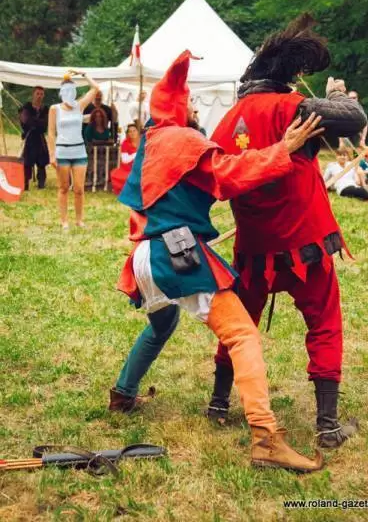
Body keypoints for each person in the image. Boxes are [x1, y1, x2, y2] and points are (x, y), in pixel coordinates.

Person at [111, 50, 325, 472]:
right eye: (190, 103)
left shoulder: (151, 142)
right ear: (177, 107)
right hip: (174, 255)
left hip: (145, 256)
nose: (195, 110)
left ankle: (122, 394)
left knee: (162, 325)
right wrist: (283, 149)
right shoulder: (180, 139)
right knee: (243, 335)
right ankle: (265, 438)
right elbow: (228, 173)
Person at [205, 14, 367, 449]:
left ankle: (218, 403)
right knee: (325, 324)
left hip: (256, 250)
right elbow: (354, 118)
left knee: (239, 325)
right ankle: (328, 427)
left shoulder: (229, 120)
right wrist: (335, 94)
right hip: (305, 245)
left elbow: (215, 179)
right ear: (287, 76)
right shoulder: (291, 107)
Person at [48, 71, 100, 230]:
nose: (69, 93)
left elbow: (95, 88)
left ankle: (79, 220)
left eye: (72, 90)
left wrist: (84, 74)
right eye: (66, 90)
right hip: (62, 152)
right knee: (63, 188)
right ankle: (64, 221)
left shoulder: (80, 106)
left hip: (79, 152)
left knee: (79, 189)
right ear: (61, 92)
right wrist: (52, 155)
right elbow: (51, 132)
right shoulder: (55, 109)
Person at [19, 86, 49, 190]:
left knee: (42, 162)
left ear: (43, 96)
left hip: (40, 138)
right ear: (33, 94)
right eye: (37, 93)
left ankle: (41, 183)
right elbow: (25, 122)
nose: (39, 96)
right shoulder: (26, 107)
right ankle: (25, 183)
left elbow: (45, 125)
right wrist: (37, 123)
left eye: (41, 94)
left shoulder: (45, 109)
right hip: (29, 138)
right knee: (27, 162)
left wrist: (34, 122)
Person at [110, 120, 141, 195]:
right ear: (128, 134)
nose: (132, 133)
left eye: (134, 131)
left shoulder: (143, 142)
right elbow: (125, 160)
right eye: (130, 131)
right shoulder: (125, 143)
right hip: (128, 168)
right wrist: (136, 154)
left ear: (138, 132)